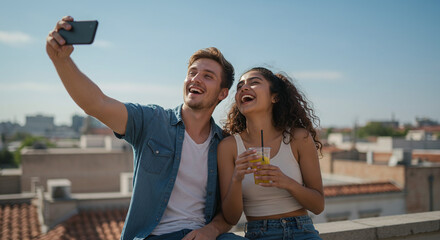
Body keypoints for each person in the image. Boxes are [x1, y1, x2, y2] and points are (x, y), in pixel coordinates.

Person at [46, 16, 246, 240]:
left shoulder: (224, 145)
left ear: (222, 93)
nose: (196, 79)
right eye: (192, 72)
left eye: (207, 76)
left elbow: (227, 215)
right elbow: (97, 104)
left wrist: (211, 229)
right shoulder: (151, 120)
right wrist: (61, 61)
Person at [218, 67, 324, 240]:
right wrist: (237, 178)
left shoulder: (298, 138)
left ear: (275, 97)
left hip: (301, 231)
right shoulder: (228, 147)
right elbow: (231, 218)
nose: (244, 88)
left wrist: (287, 182)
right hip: (258, 233)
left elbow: (318, 206)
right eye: (240, 86)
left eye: (254, 82)